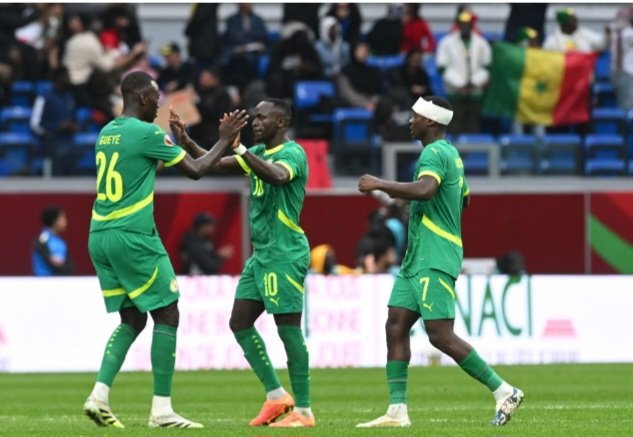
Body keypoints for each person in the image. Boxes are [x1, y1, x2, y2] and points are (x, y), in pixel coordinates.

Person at [82, 70, 248, 429]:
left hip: (100, 233)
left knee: (132, 318)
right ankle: (161, 411)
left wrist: (182, 141)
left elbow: (143, 165)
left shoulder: (106, 132)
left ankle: (99, 395)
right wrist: (224, 139)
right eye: (156, 98)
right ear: (142, 97)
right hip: (133, 234)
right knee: (168, 313)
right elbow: (197, 170)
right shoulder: (148, 133)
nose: (159, 105)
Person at [355, 96, 524, 428]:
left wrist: (381, 184)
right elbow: (464, 198)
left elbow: (427, 189)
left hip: (434, 254)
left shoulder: (434, 153)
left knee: (439, 334)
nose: (410, 120)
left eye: (415, 116)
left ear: (430, 121)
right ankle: (397, 411)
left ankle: (505, 390)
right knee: (396, 324)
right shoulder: (451, 155)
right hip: (416, 257)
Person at [169, 98, 315, 428]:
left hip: (285, 252)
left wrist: (239, 148)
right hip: (261, 255)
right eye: (254, 117)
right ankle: (277, 396)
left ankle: (304, 411)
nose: (256, 122)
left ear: (281, 123)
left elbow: (278, 177)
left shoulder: (293, 153)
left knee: (288, 329)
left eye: (263, 118)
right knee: (240, 322)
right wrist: (187, 141)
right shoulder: (258, 153)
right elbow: (212, 165)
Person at [436, 11, 491, 134]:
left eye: (467, 24)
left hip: (475, 93)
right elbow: (442, 67)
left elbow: (487, 67)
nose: (465, 26)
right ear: (458, 24)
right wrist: (460, 84)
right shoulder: (446, 43)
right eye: (462, 24)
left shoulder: (482, 43)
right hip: (455, 93)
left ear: (472, 25)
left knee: (473, 130)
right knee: (454, 130)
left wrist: (474, 82)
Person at [31, 206, 74, 276]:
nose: (65, 221)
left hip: (61, 280)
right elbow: (51, 261)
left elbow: (69, 265)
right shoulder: (42, 240)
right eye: (62, 218)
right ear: (55, 221)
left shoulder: (61, 242)